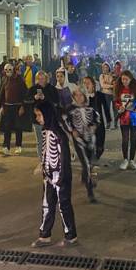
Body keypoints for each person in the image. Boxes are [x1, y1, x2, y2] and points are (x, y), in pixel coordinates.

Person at [31, 102, 78, 247]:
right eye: (36, 115)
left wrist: (60, 178)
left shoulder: (59, 134)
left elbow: (63, 158)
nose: (38, 118)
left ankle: (71, 235)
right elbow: (45, 153)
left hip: (60, 177)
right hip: (48, 176)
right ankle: (44, 235)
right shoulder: (45, 131)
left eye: (39, 115)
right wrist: (44, 170)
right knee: (47, 205)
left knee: (64, 205)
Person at [63, 88, 99, 203]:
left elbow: (97, 119)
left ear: (84, 96)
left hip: (91, 139)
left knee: (91, 162)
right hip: (79, 140)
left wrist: (93, 126)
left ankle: (85, 177)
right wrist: (72, 130)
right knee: (86, 164)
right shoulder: (69, 109)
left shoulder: (90, 107)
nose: (79, 97)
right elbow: (64, 121)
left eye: (81, 95)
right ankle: (90, 192)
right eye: (76, 95)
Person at [25, 70, 59, 164]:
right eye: (39, 79)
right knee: (40, 141)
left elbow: (56, 102)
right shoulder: (33, 89)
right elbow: (26, 100)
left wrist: (45, 98)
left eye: (42, 79)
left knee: (51, 140)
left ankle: (52, 159)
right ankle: (42, 161)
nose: (40, 81)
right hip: (37, 120)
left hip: (50, 119)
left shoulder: (52, 89)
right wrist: (34, 98)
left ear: (46, 79)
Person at [114, 70, 136, 171]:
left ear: (130, 79)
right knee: (125, 139)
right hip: (124, 119)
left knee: (133, 140)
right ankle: (125, 159)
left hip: (134, 119)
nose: (124, 81)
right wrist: (119, 107)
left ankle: (132, 160)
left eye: (126, 79)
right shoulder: (119, 90)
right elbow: (116, 102)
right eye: (122, 79)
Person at [0, 63, 29, 155]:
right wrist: (1, 106)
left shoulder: (19, 80)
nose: (8, 72)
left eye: (10, 70)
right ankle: (6, 147)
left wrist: (23, 106)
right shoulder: (4, 80)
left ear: (13, 70)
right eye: (6, 70)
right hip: (7, 107)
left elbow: (25, 94)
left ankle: (18, 146)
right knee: (7, 128)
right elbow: (2, 94)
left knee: (18, 127)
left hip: (17, 107)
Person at [82, 76, 107, 163]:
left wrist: (109, 119)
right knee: (88, 146)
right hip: (86, 125)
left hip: (99, 124)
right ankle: (89, 165)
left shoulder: (100, 95)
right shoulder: (81, 97)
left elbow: (106, 108)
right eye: (84, 83)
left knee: (100, 147)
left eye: (88, 83)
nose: (86, 85)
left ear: (93, 85)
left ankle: (96, 157)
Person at [98, 62, 116, 129]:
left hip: (113, 94)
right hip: (106, 94)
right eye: (104, 67)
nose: (106, 68)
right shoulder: (101, 76)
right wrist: (111, 86)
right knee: (107, 110)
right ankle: (108, 124)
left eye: (107, 67)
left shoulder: (112, 75)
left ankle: (115, 123)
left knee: (115, 109)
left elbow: (115, 83)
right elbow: (103, 85)